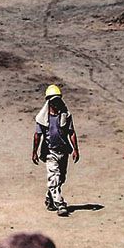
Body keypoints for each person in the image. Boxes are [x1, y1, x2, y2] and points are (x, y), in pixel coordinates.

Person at [32, 84, 81, 214]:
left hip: (63, 151)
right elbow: (38, 135)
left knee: (61, 178)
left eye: (58, 100)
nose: (56, 103)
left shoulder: (65, 115)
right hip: (50, 152)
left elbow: (71, 132)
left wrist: (75, 149)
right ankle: (60, 204)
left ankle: (50, 197)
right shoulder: (43, 118)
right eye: (53, 101)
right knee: (54, 177)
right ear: (49, 101)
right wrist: (34, 152)